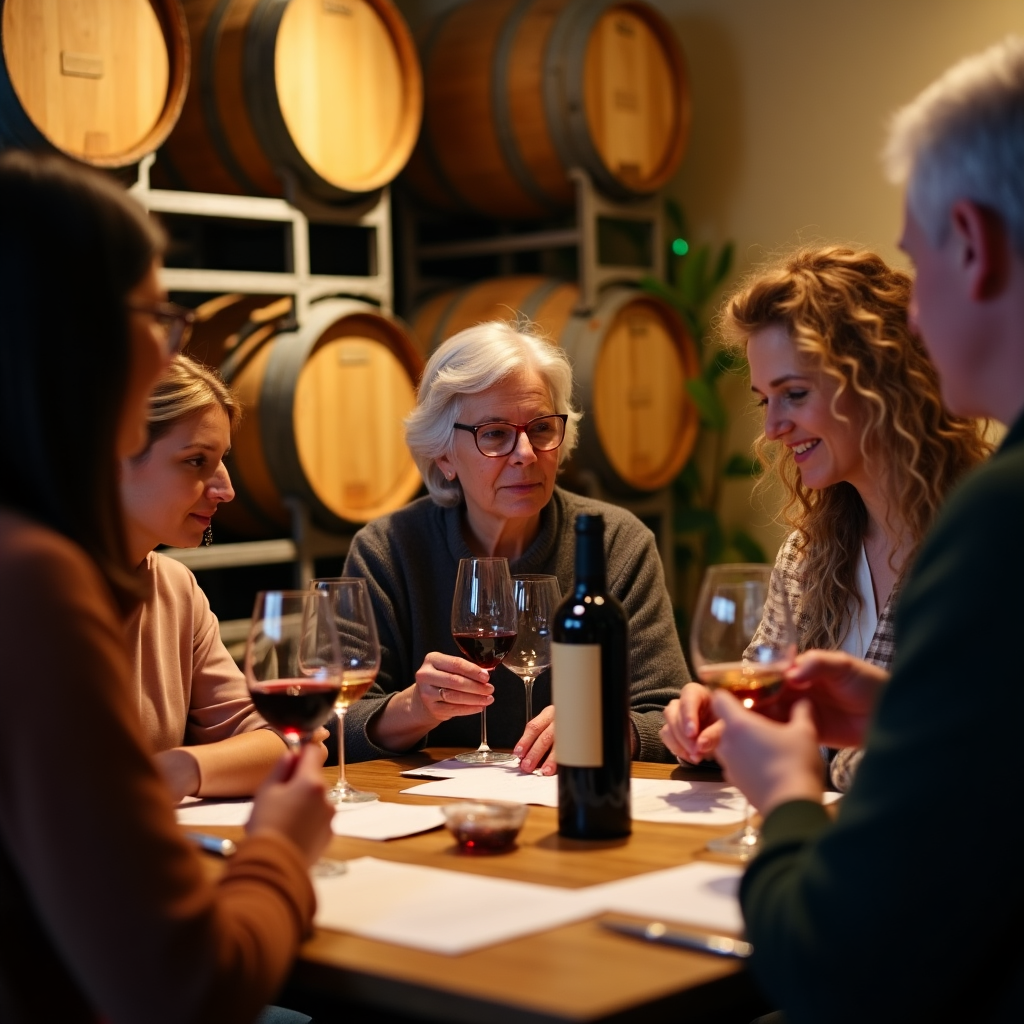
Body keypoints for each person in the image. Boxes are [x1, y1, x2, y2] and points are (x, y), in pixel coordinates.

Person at [700, 37, 1024, 1023]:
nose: (917, 320)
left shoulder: (992, 519)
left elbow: (845, 964)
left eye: (918, 268)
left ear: (971, 243)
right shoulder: (816, 546)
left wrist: (787, 797)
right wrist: (895, 716)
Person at [0, 151, 333, 1022]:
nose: (168, 345)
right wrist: (281, 853)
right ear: (71, 332)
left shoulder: (131, 580)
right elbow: (182, 990)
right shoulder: (33, 582)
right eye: (157, 313)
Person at [659, 246, 989, 790]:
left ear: (879, 381)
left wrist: (814, 756)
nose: (772, 428)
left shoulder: (983, 540)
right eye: (764, 400)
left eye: (793, 394)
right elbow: (764, 704)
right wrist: (716, 720)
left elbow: (964, 756)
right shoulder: (807, 555)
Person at [342, 321, 689, 772]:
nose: (525, 452)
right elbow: (334, 725)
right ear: (444, 455)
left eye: (541, 428)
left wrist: (603, 727)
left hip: (575, 804)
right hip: (436, 815)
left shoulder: (615, 543)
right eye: (495, 434)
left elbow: (670, 716)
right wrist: (415, 708)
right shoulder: (388, 550)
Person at [120, 354, 303, 802]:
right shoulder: (32, 588)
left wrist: (179, 769)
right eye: (196, 461)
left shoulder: (174, 589)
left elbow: (290, 742)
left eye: (221, 460)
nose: (226, 490)